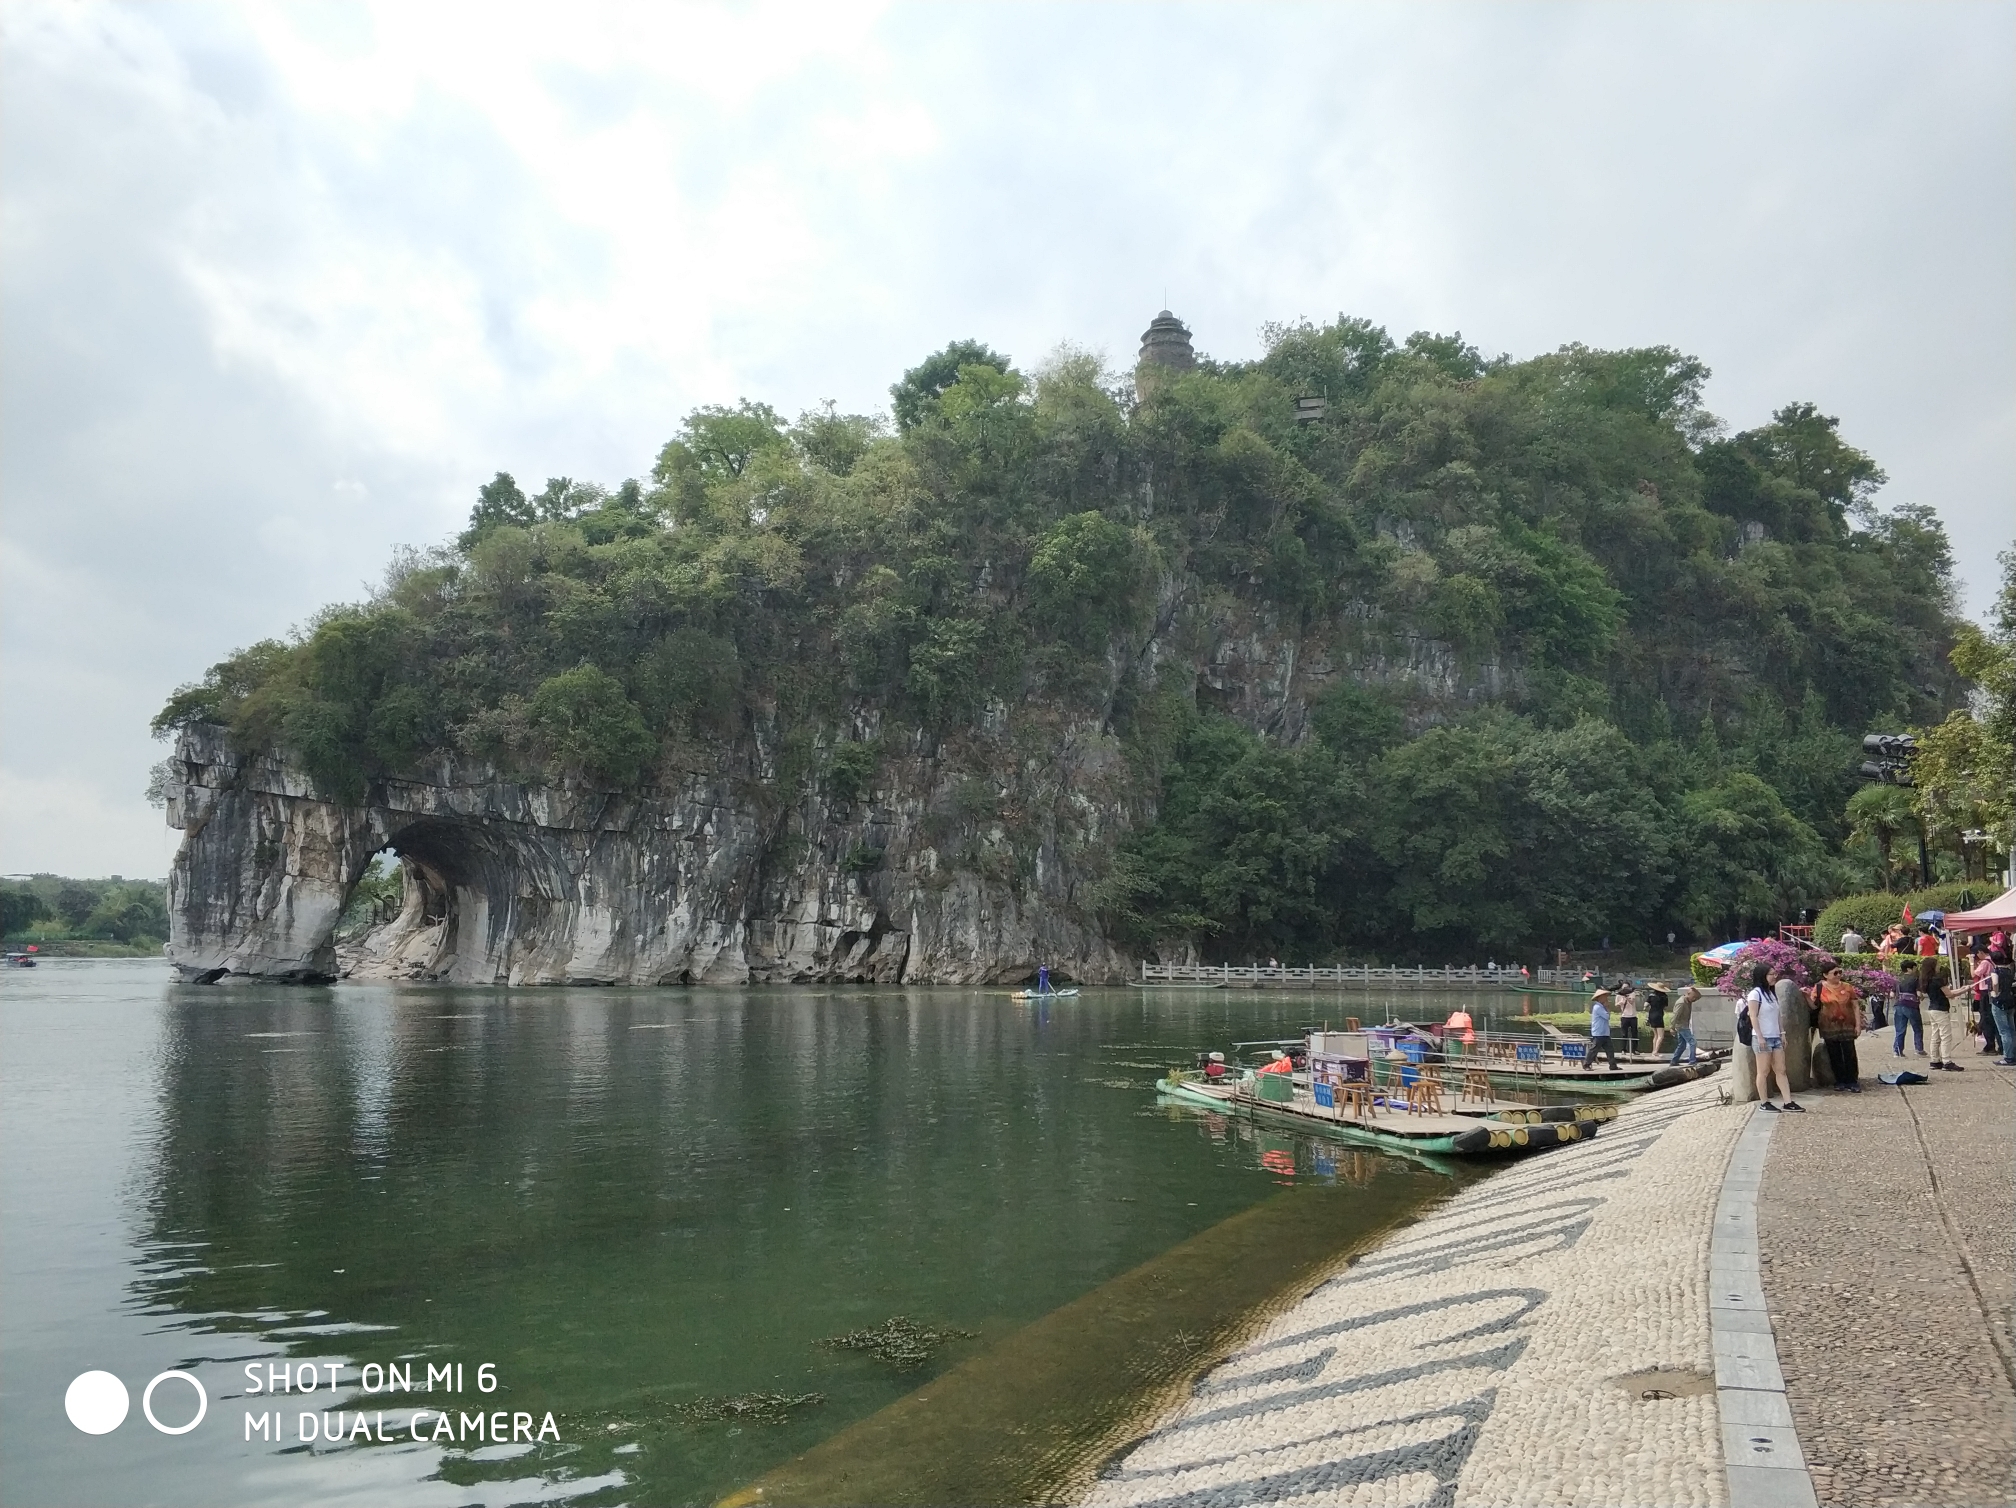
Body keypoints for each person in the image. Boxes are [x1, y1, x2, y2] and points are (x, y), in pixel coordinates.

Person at [1747, 963, 1801, 1111]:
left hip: (1775, 1036)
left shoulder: (1771, 994)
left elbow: (1777, 1015)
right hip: (1762, 1037)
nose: (1774, 976)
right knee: (1763, 1071)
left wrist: (1782, 1033)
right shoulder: (1755, 994)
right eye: (1771, 974)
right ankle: (1764, 1102)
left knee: (1781, 1069)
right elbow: (1753, 1016)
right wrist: (1760, 1036)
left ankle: (1788, 1101)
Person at [1815, 965, 1863, 1092]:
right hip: (1829, 1025)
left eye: (1839, 972)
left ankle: (1852, 1080)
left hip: (1847, 1024)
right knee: (1834, 1053)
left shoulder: (1847, 987)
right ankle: (1839, 1080)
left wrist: (1858, 1024)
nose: (1838, 975)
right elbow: (1814, 1005)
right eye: (1835, 973)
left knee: (1849, 1053)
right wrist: (1804, 996)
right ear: (1826, 975)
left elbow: (1855, 1006)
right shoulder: (1819, 988)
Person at [1921, 956, 1964, 1071]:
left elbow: (1947, 993)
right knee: (1946, 1036)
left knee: (1935, 1035)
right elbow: (1949, 994)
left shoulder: (1927, 980)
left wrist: (1962, 990)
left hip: (1932, 1009)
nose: (1939, 966)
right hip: (1941, 1009)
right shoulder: (1938, 979)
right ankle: (1946, 1060)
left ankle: (1935, 1060)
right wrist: (1964, 990)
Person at [1583, 990, 1619, 1070]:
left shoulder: (1601, 1007)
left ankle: (1613, 1065)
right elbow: (1607, 1017)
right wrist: (1607, 1008)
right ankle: (1586, 1064)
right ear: (1599, 998)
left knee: (1610, 1050)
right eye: (1604, 997)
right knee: (1594, 1050)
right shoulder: (1598, 1007)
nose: (1606, 998)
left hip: (1605, 1032)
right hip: (1599, 1033)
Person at [1892, 973, 1924, 1057]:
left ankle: (1897, 1051)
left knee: (1900, 1030)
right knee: (1917, 1028)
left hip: (1899, 1005)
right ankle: (1919, 1049)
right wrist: (1921, 997)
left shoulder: (1897, 979)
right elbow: (1919, 994)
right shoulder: (1915, 978)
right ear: (1910, 968)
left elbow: (1892, 994)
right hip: (1912, 1006)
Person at [1666, 983, 1699, 1064]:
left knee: (1682, 1045)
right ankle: (1692, 1061)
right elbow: (1675, 1015)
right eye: (1693, 997)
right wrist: (1672, 1027)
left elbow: (1698, 996)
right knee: (1692, 1042)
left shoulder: (1688, 1001)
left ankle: (1674, 1061)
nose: (1694, 999)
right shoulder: (1681, 1003)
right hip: (1681, 1026)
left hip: (1683, 1025)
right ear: (1688, 994)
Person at [1645, 980, 1670, 1058]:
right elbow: (1665, 1006)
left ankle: (1653, 1051)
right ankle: (1656, 1052)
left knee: (1655, 1035)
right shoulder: (1664, 996)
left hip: (1651, 1014)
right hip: (1659, 1015)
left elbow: (1645, 1005)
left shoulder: (1651, 995)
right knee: (1661, 1036)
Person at [1616, 984, 1641, 1055]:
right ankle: (1623, 1049)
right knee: (1624, 1034)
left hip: (1633, 1016)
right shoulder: (1618, 995)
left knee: (1634, 1033)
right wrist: (1620, 1003)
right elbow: (1616, 1004)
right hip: (1624, 1016)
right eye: (1624, 987)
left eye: (1626, 987)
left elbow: (1631, 1001)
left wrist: (1626, 997)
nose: (1625, 988)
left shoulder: (1632, 994)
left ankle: (1634, 1049)